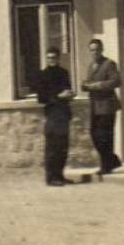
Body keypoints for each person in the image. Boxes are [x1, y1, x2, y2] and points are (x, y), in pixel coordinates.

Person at [83, 38, 123, 174]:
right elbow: (88, 81)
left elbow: (116, 81)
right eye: (92, 50)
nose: (94, 52)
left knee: (105, 136)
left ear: (102, 50)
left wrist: (98, 85)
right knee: (94, 135)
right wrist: (85, 85)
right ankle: (113, 160)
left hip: (107, 105)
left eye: (97, 50)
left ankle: (106, 166)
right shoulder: (91, 66)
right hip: (94, 106)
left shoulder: (109, 64)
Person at [35, 48, 75, 186]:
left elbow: (68, 89)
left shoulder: (64, 73)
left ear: (58, 58)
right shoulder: (42, 75)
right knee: (52, 147)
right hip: (52, 114)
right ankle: (51, 178)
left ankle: (60, 175)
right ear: (46, 59)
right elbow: (41, 98)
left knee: (63, 146)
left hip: (63, 113)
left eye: (54, 57)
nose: (52, 60)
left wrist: (70, 94)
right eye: (49, 58)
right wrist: (58, 96)